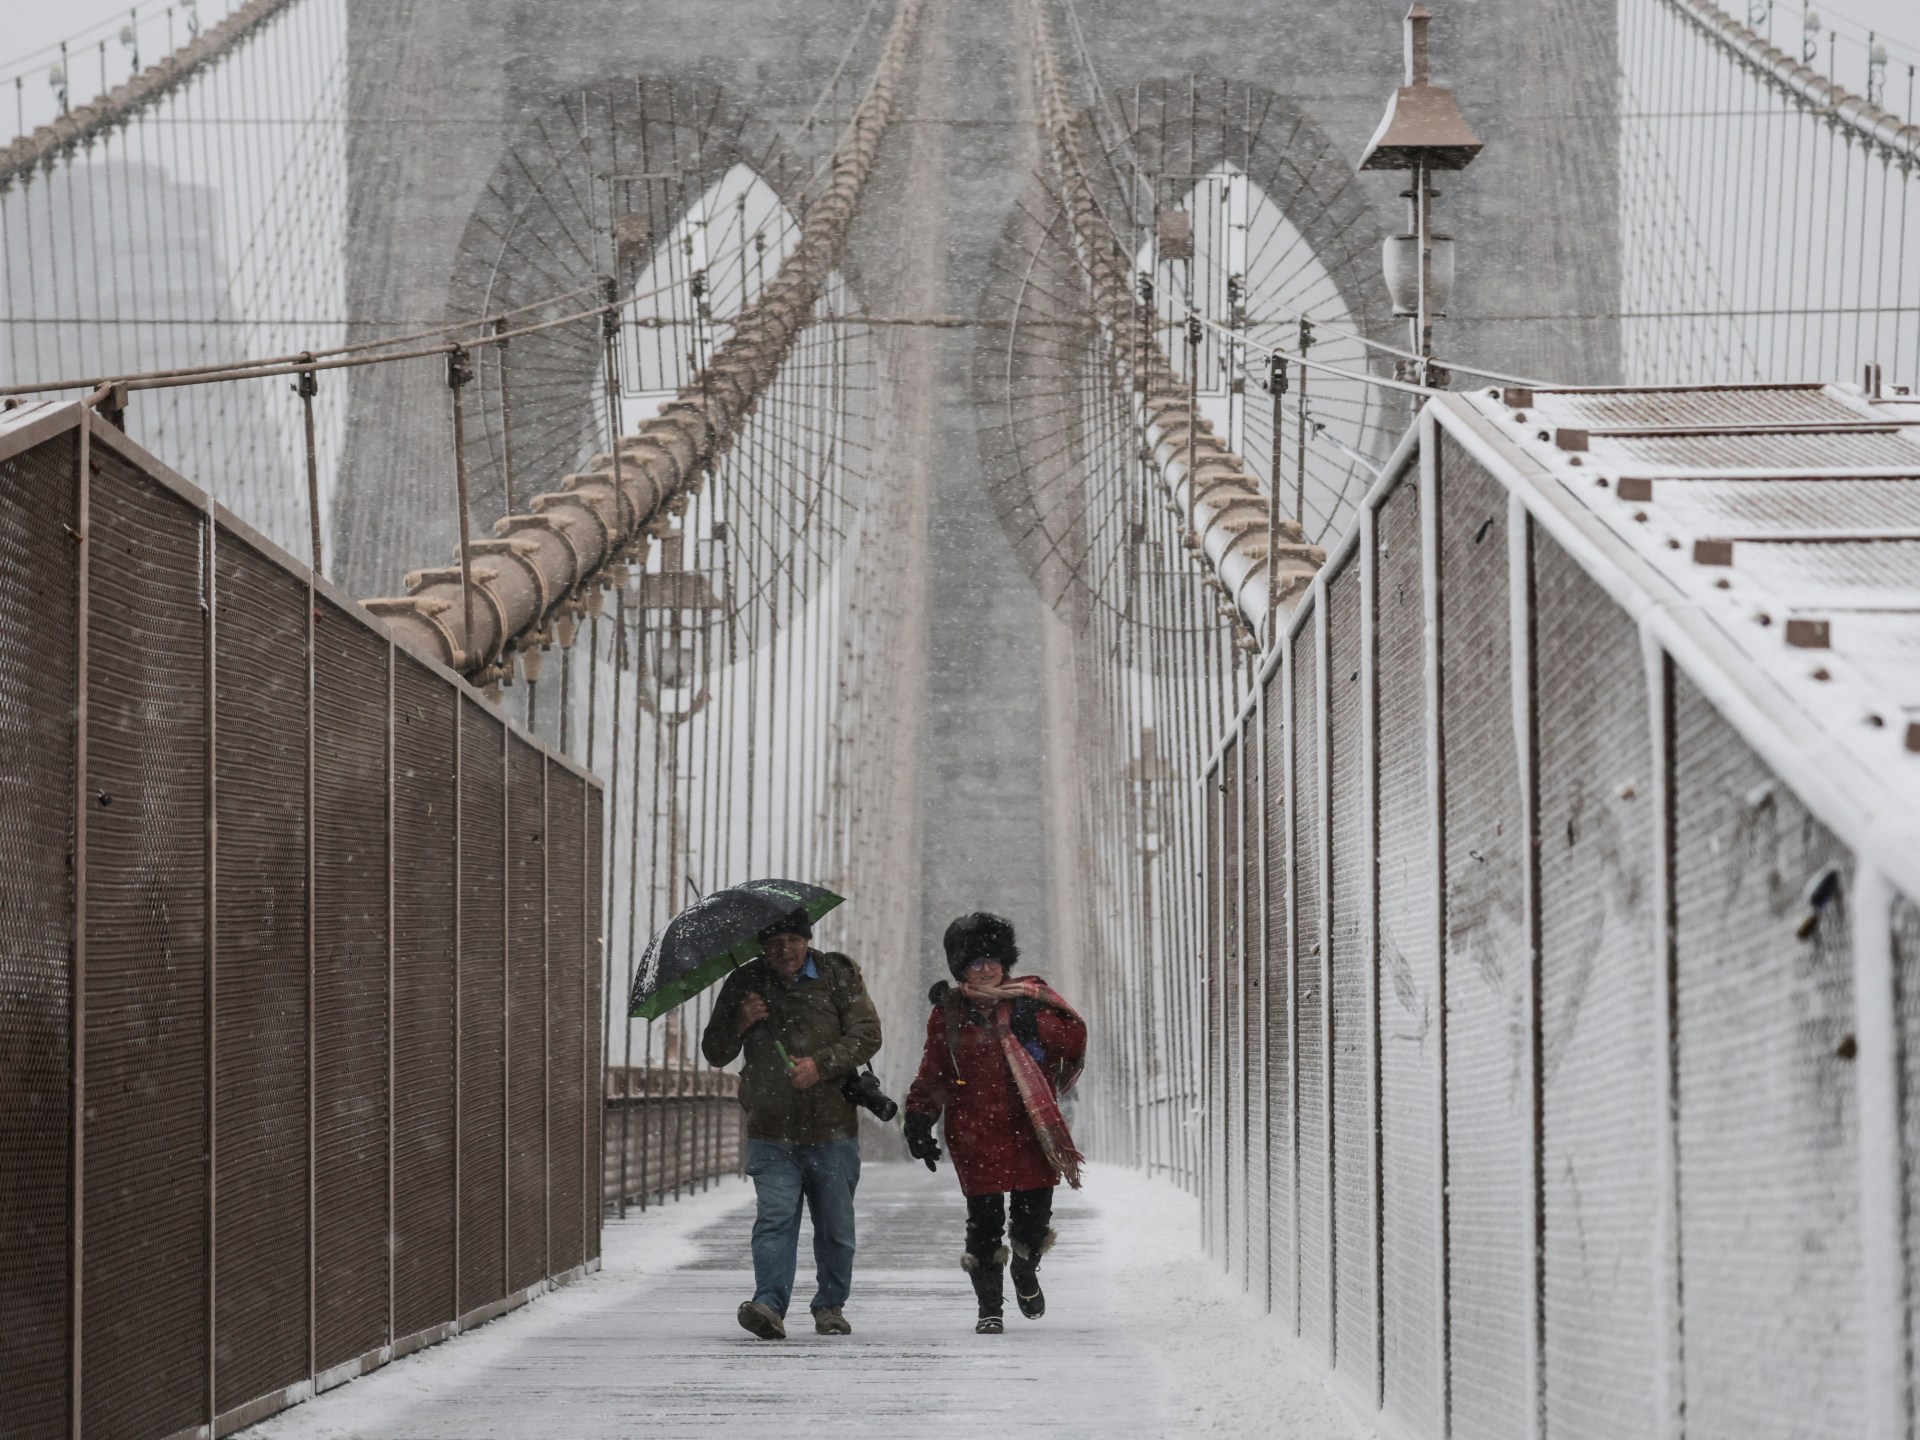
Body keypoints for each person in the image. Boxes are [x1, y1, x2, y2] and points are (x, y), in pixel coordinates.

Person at [903, 912, 1088, 1334]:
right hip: (976, 1132)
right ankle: (989, 1308)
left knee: (1033, 1220)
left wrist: (1035, 1024)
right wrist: (918, 1117)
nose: (986, 969)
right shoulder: (949, 1013)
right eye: (975, 962)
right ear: (961, 968)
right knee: (983, 1224)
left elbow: (1073, 1040)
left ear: (1005, 960)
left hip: (1030, 1130)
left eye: (993, 959)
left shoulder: (1032, 998)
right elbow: (934, 1072)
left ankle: (1024, 1268)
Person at [701, 910, 881, 1341]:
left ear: (807, 939)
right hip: (770, 1128)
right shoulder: (744, 982)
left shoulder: (837, 975)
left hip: (832, 1126)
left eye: (793, 940)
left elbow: (867, 1034)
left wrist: (821, 1064)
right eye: (775, 942)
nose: (785, 950)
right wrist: (740, 1021)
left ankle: (830, 1307)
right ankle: (768, 1304)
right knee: (774, 1220)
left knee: (836, 1227)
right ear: (762, 946)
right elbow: (715, 1051)